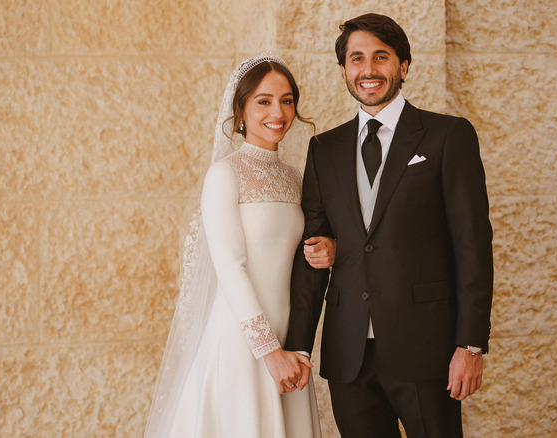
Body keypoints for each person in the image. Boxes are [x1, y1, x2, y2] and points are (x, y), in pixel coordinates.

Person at [286, 13, 494, 437]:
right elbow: (313, 252)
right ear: (344, 70)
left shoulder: (447, 136)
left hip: (427, 349)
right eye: (357, 58)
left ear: (403, 65)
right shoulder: (324, 149)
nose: (368, 69)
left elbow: (472, 245)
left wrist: (470, 344)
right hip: (348, 354)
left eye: (381, 57)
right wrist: (299, 346)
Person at [143, 53, 334, 438]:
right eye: (263, 101)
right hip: (242, 336)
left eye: (286, 100)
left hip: (289, 336)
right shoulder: (225, 175)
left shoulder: (297, 178)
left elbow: (303, 254)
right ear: (241, 110)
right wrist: (267, 351)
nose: (277, 111)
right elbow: (231, 266)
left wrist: (329, 248)